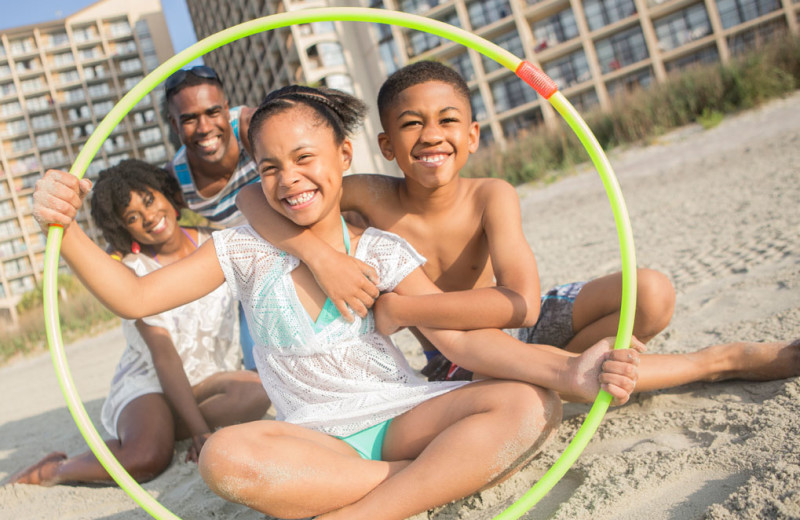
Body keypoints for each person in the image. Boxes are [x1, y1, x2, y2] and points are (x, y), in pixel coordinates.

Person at [28, 86, 642, 519]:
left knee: (529, 403)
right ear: (257, 178)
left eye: (304, 159)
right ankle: (425, 482)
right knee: (224, 456)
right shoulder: (241, 249)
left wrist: (568, 372)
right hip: (316, 441)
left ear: (343, 158)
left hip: (400, 412)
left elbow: (460, 343)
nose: (289, 179)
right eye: (270, 168)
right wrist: (66, 227)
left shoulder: (380, 247)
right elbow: (133, 295)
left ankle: (366, 512)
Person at [236, 60, 800, 391]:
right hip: (461, 355)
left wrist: (404, 310)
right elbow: (249, 197)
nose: (431, 135)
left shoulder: (492, 196)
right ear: (386, 145)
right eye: (411, 125)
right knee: (543, 378)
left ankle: (591, 362)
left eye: (447, 121)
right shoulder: (365, 193)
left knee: (651, 289)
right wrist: (322, 256)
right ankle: (721, 360)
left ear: (473, 135)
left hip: (519, 322)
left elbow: (524, 305)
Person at [10, 160, 269, 486]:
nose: (148, 217)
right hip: (152, 384)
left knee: (257, 393)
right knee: (147, 457)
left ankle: (165, 425)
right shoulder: (133, 270)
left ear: (167, 195)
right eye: (132, 217)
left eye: (149, 200)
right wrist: (201, 432)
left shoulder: (216, 240)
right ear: (123, 228)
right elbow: (164, 356)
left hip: (208, 378)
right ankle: (54, 469)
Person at [163, 65, 260, 369]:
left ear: (227, 109)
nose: (204, 128)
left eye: (212, 112)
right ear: (175, 125)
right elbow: (157, 226)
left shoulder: (251, 128)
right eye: (189, 119)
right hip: (251, 272)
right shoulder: (177, 179)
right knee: (256, 364)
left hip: (299, 240)